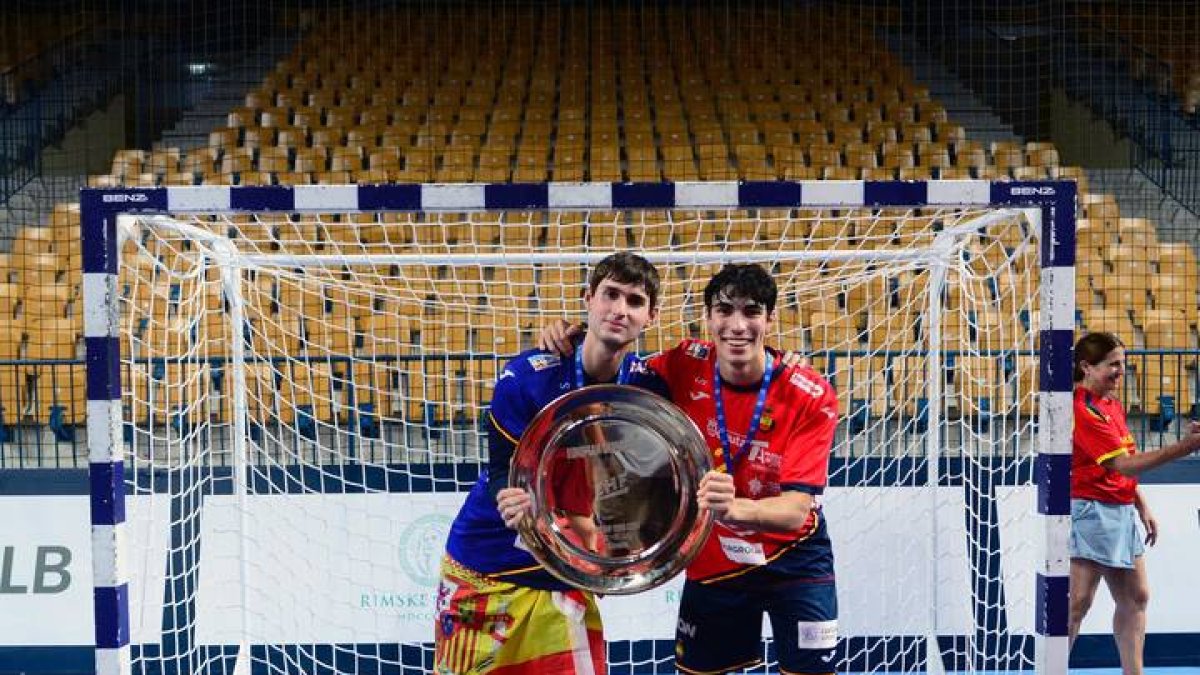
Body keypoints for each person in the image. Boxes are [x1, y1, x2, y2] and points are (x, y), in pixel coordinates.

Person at [539, 263, 841, 674]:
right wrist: (575, 334)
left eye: (752, 312)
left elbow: (795, 511)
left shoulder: (810, 393)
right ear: (708, 318)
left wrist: (734, 509)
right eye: (724, 311)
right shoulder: (684, 363)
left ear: (770, 320)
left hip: (796, 558)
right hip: (714, 560)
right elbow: (611, 367)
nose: (737, 326)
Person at [433, 252, 664, 675]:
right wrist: (509, 498)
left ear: (651, 316)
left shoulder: (650, 389)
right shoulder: (529, 376)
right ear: (588, 298)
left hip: (566, 572)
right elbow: (501, 470)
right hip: (488, 565)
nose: (619, 310)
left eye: (634, 301)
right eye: (610, 295)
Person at [1067, 331, 1200, 675]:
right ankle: (1051, 667)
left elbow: (1127, 458)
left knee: (1136, 597)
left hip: (1120, 508)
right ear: (1086, 366)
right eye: (1112, 364)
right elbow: (1123, 464)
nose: (1120, 371)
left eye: (1122, 364)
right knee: (1077, 603)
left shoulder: (1111, 405)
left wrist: (1140, 504)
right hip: (1091, 509)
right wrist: (1185, 447)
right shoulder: (1082, 410)